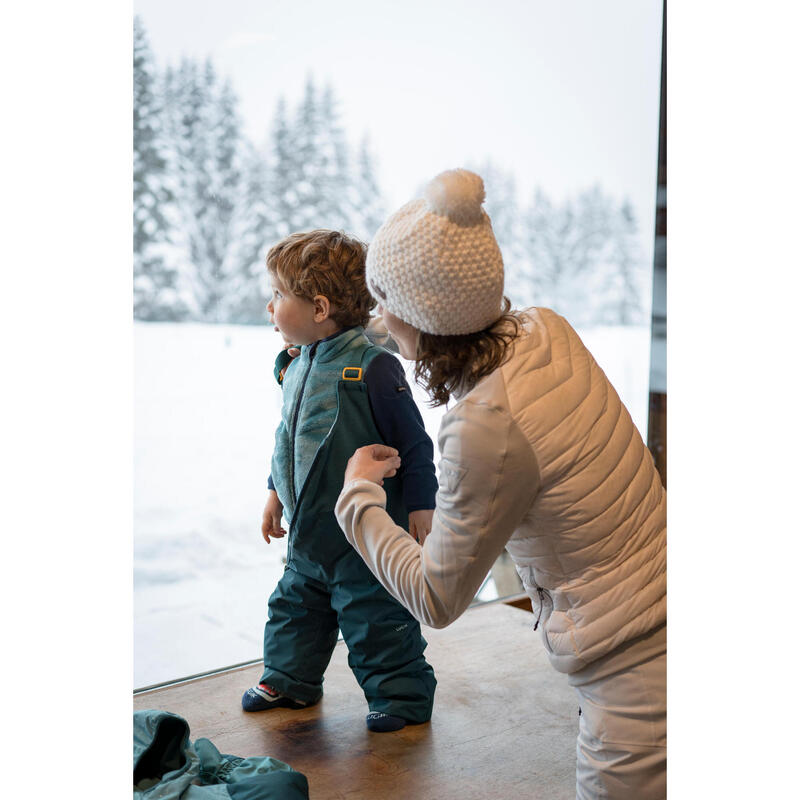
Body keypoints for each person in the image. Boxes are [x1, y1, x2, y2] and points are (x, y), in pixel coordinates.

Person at [334, 170, 667, 797]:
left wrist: (358, 500)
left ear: (427, 317)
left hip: (636, 680)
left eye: (388, 303)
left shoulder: (485, 422)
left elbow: (436, 598)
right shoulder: (546, 328)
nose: (380, 322)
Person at [242, 229, 438, 733]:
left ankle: (401, 695)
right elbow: (290, 439)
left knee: (375, 618)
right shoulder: (294, 364)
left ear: (320, 307)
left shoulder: (372, 368)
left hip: (362, 537)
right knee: (294, 607)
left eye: (280, 295)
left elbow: (414, 442)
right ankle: (289, 679)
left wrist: (421, 504)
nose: (271, 305)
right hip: (310, 533)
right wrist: (273, 492)